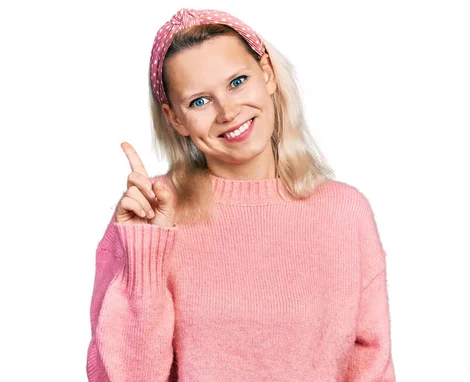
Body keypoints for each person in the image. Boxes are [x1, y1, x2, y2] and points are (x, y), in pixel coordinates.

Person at [86, 7, 396, 381]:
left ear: (266, 74)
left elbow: (371, 368)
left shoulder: (344, 213)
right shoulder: (150, 215)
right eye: (199, 101)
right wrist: (145, 251)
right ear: (175, 119)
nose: (228, 111)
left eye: (237, 82)